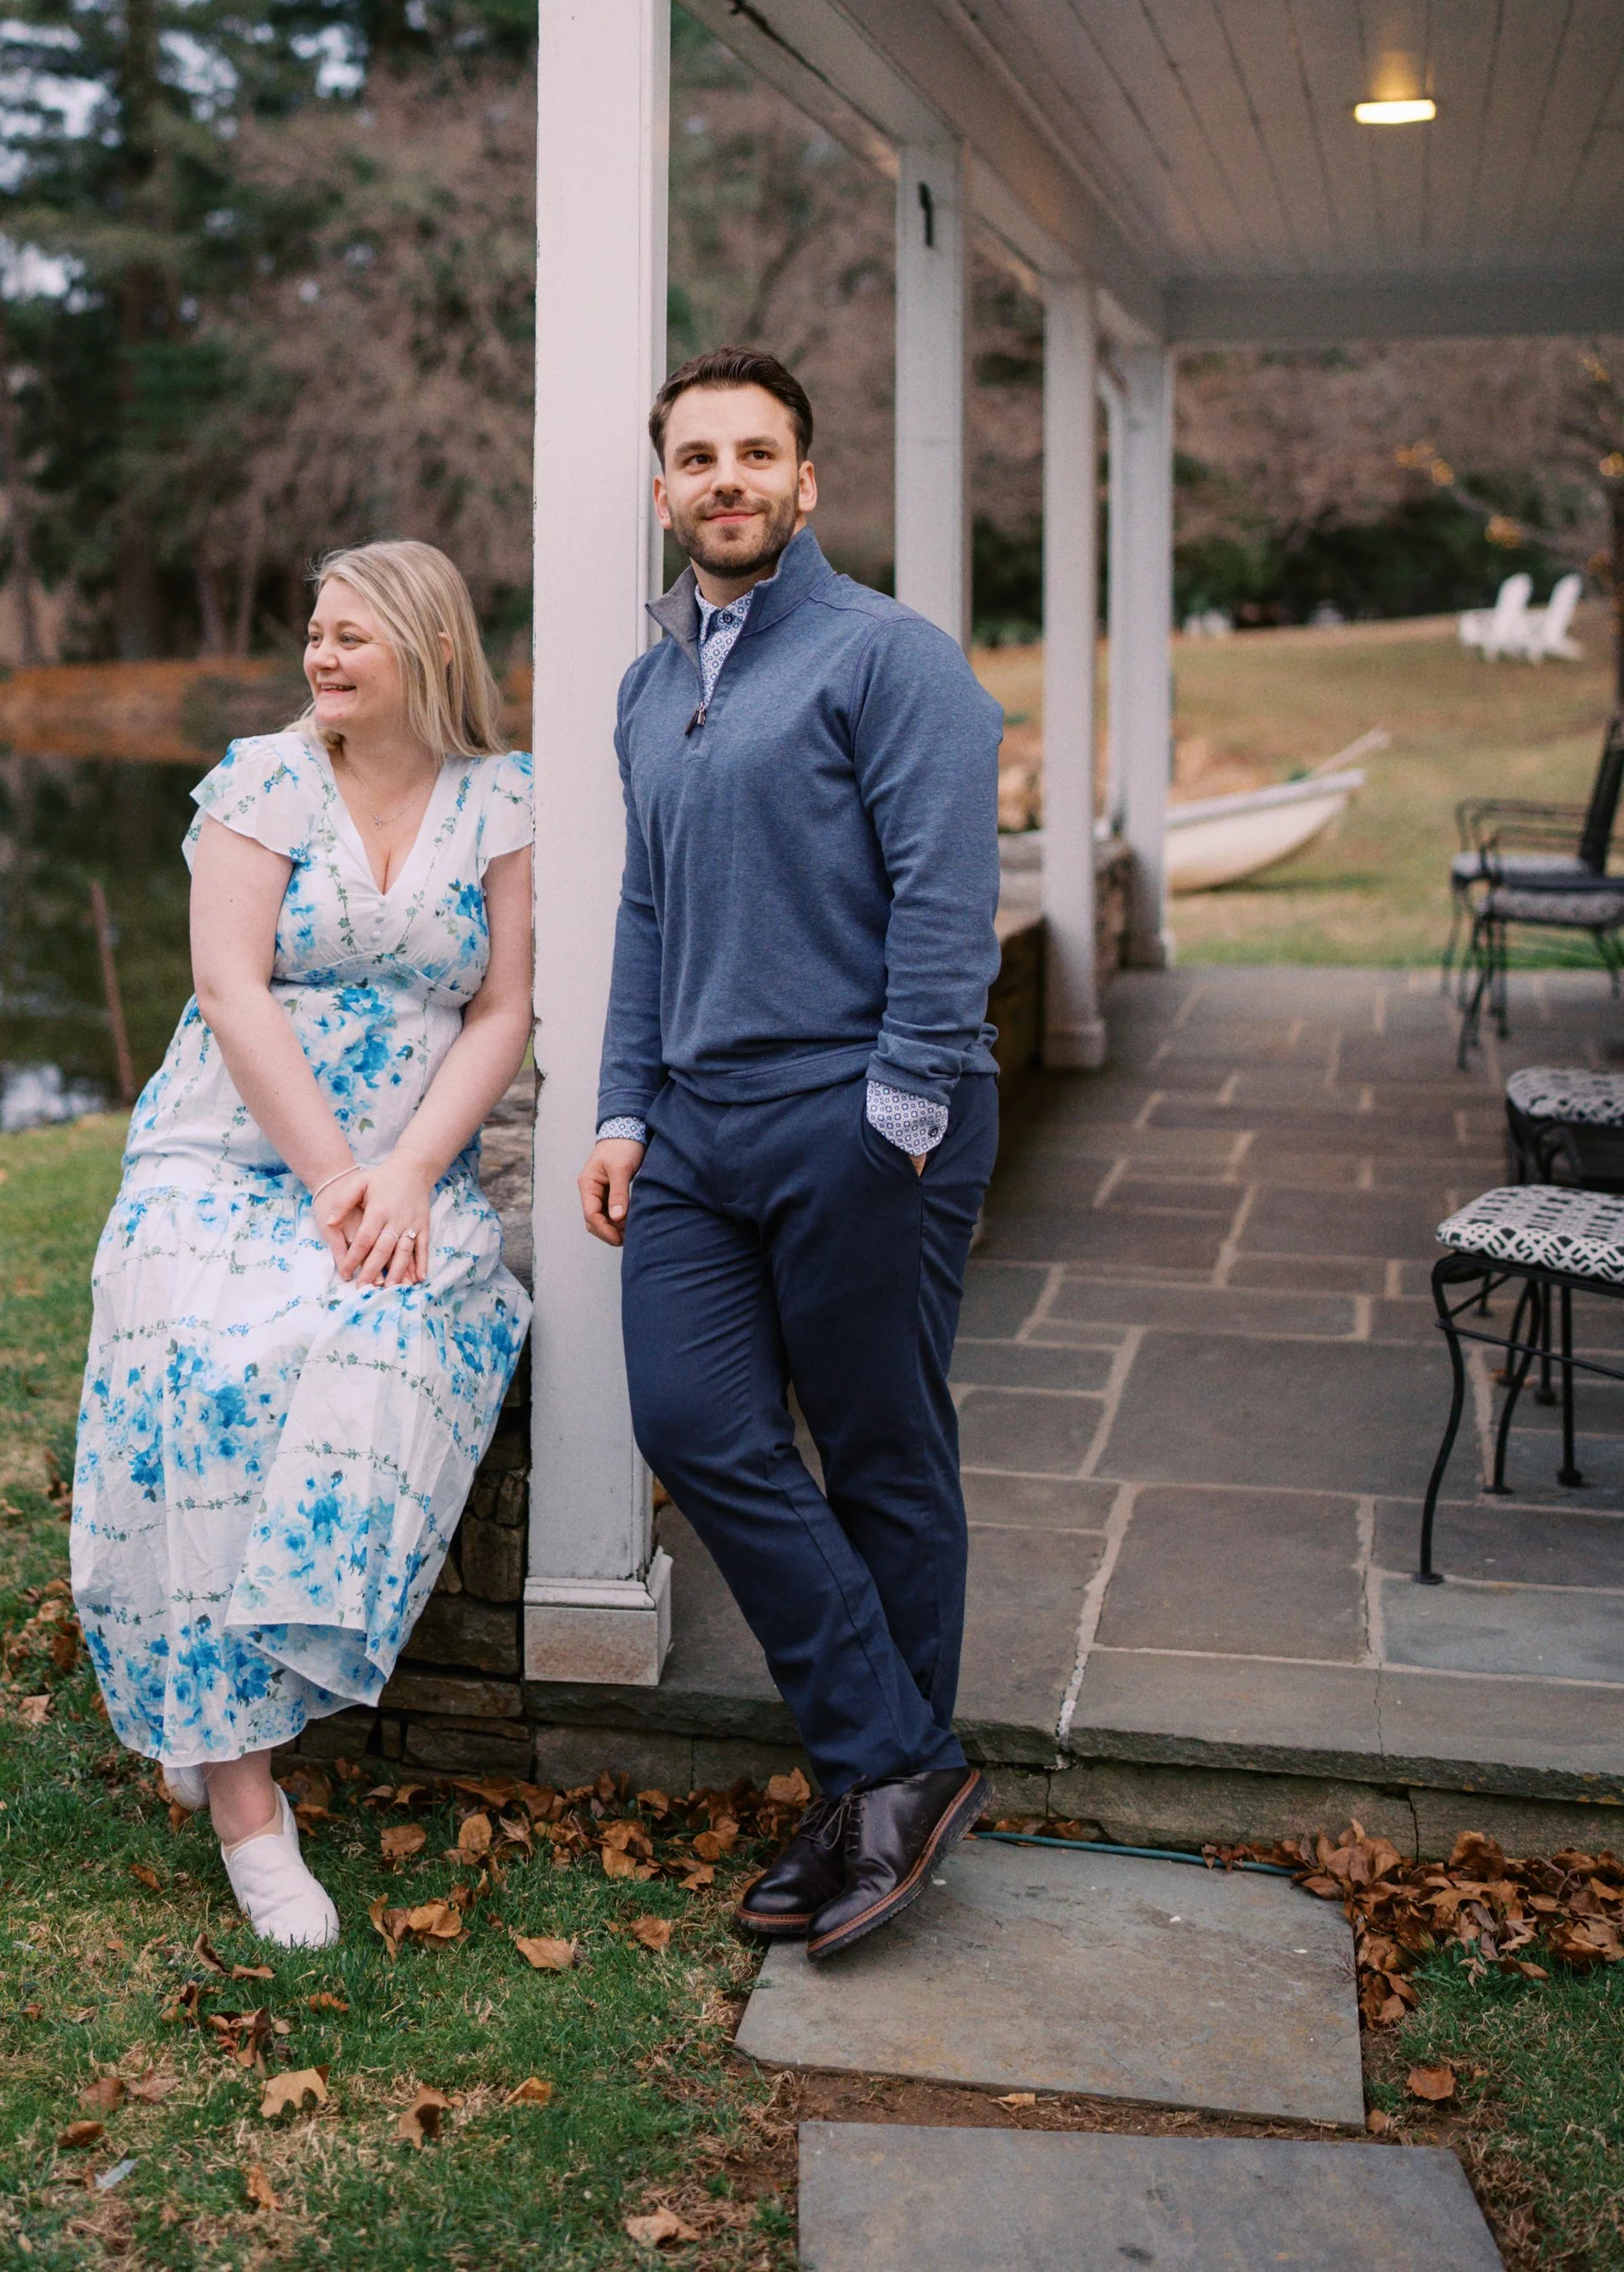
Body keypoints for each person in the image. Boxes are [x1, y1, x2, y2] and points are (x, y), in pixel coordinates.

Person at [579, 346, 1003, 1963]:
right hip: (698, 1128)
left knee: (882, 1447)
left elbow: (948, 901)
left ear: (807, 482)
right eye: (698, 457)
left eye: (757, 453)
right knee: (695, 1419)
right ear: (668, 486)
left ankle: (862, 1797)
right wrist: (623, 1110)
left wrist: (895, 1115)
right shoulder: (647, 684)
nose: (728, 478)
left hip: (863, 1116)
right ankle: (900, 1761)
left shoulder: (890, 655)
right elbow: (645, 913)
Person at [72, 541, 533, 1948]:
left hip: (400, 1165)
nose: (322, 658)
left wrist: (405, 1173)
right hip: (231, 1151)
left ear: (430, 649)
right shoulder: (263, 782)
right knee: (205, 1365)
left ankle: (229, 1698)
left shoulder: (500, 802)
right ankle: (245, 1802)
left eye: (352, 638)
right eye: (315, 636)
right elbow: (227, 983)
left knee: (385, 1338)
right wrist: (336, 1173)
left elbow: (503, 1010)